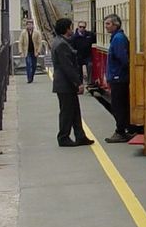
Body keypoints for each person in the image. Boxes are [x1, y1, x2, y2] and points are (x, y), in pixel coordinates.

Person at [51, 17, 94, 147]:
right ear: (66, 29)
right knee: (67, 111)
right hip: (65, 84)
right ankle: (63, 137)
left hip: (64, 84)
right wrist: (78, 83)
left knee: (74, 110)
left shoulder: (59, 41)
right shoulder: (62, 44)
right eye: (70, 27)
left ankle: (80, 136)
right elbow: (67, 66)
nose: (72, 29)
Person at [104, 13, 132, 143]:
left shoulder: (118, 39)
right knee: (120, 104)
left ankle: (120, 131)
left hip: (119, 77)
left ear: (116, 25)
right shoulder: (118, 37)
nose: (106, 27)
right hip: (118, 76)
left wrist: (115, 74)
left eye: (108, 24)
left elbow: (123, 59)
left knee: (118, 105)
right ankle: (124, 129)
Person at [69, 20, 96, 84]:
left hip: (87, 55)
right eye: (80, 27)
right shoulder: (74, 37)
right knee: (78, 70)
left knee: (90, 65)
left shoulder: (89, 35)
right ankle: (79, 83)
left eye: (84, 27)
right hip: (78, 56)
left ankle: (90, 83)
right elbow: (71, 47)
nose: (82, 29)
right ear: (78, 27)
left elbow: (94, 39)